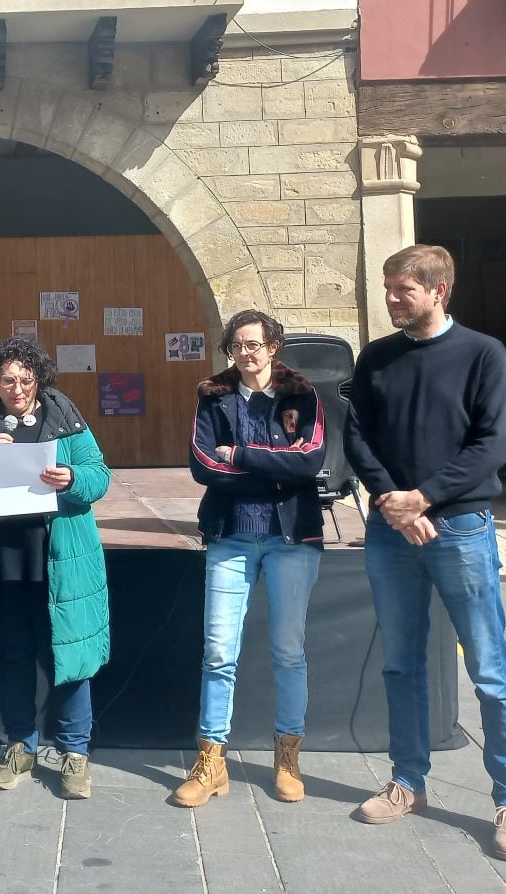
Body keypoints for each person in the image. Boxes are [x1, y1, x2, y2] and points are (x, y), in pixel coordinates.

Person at [343, 244, 506, 862]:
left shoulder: (484, 354)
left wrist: (422, 498)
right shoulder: (376, 358)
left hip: (461, 530)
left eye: (403, 289)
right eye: (388, 288)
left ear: (439, 290)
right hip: (392, 533)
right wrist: (392, 503)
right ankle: (408, 782)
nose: (392, 299)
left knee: (491, 671)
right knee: (400, 664)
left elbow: (491, 445)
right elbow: (357, 437)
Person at [0, 337, 111, 800]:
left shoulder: (67, 420)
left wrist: (72, 479)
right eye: (7, 379)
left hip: (59, 560)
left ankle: (74, 753)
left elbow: (99, 475)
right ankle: (19, 745)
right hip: (0, 560)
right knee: (11, 655)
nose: (17, 388)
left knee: (67, 655)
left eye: (26, 379)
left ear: (40, 380)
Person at [177, 308, 328, 809]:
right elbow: (202, 465)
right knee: (219, 652)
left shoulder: (302, 395)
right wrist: (272, 466)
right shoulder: (212, 395)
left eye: (255, 344)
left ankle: (287, 757)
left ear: (273, 346)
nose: (247, 353)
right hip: (230, 535)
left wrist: (240, 455)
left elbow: (309, 462)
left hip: (291, 538)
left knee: (289, 651)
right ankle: (211, 761)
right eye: (238, 345)